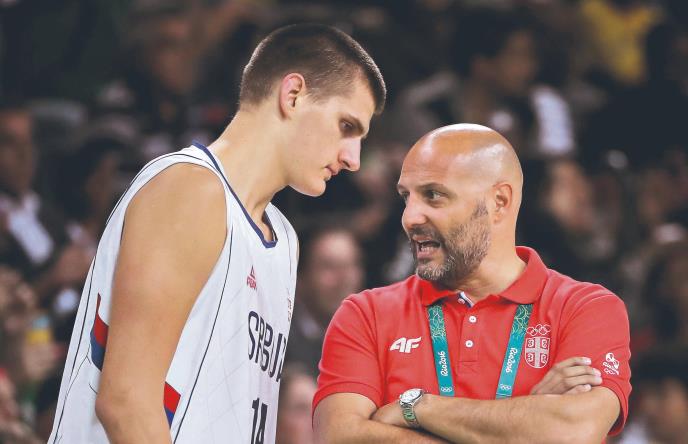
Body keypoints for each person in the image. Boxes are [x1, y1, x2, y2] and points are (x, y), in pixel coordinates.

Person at [49, 23, 385, 443]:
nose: (353, 159)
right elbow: (126, 402)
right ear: (293, 95)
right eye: (346, 126)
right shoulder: (191, 190)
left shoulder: (284, 240)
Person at [314, 124, 630, 443]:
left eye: (433, 195)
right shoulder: (366, 314)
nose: (409, 218)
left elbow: (572, 431)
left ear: (499, 202)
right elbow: (340, 437)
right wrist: (525, 421)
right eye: (406, 197)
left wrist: (417, 408)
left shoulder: (587, 309)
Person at [285, 226, 364, 376]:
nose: (344, 280)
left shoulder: (370, 335)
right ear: (300, 278)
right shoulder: (279, 336)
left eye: (351, 265)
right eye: (330, 267)